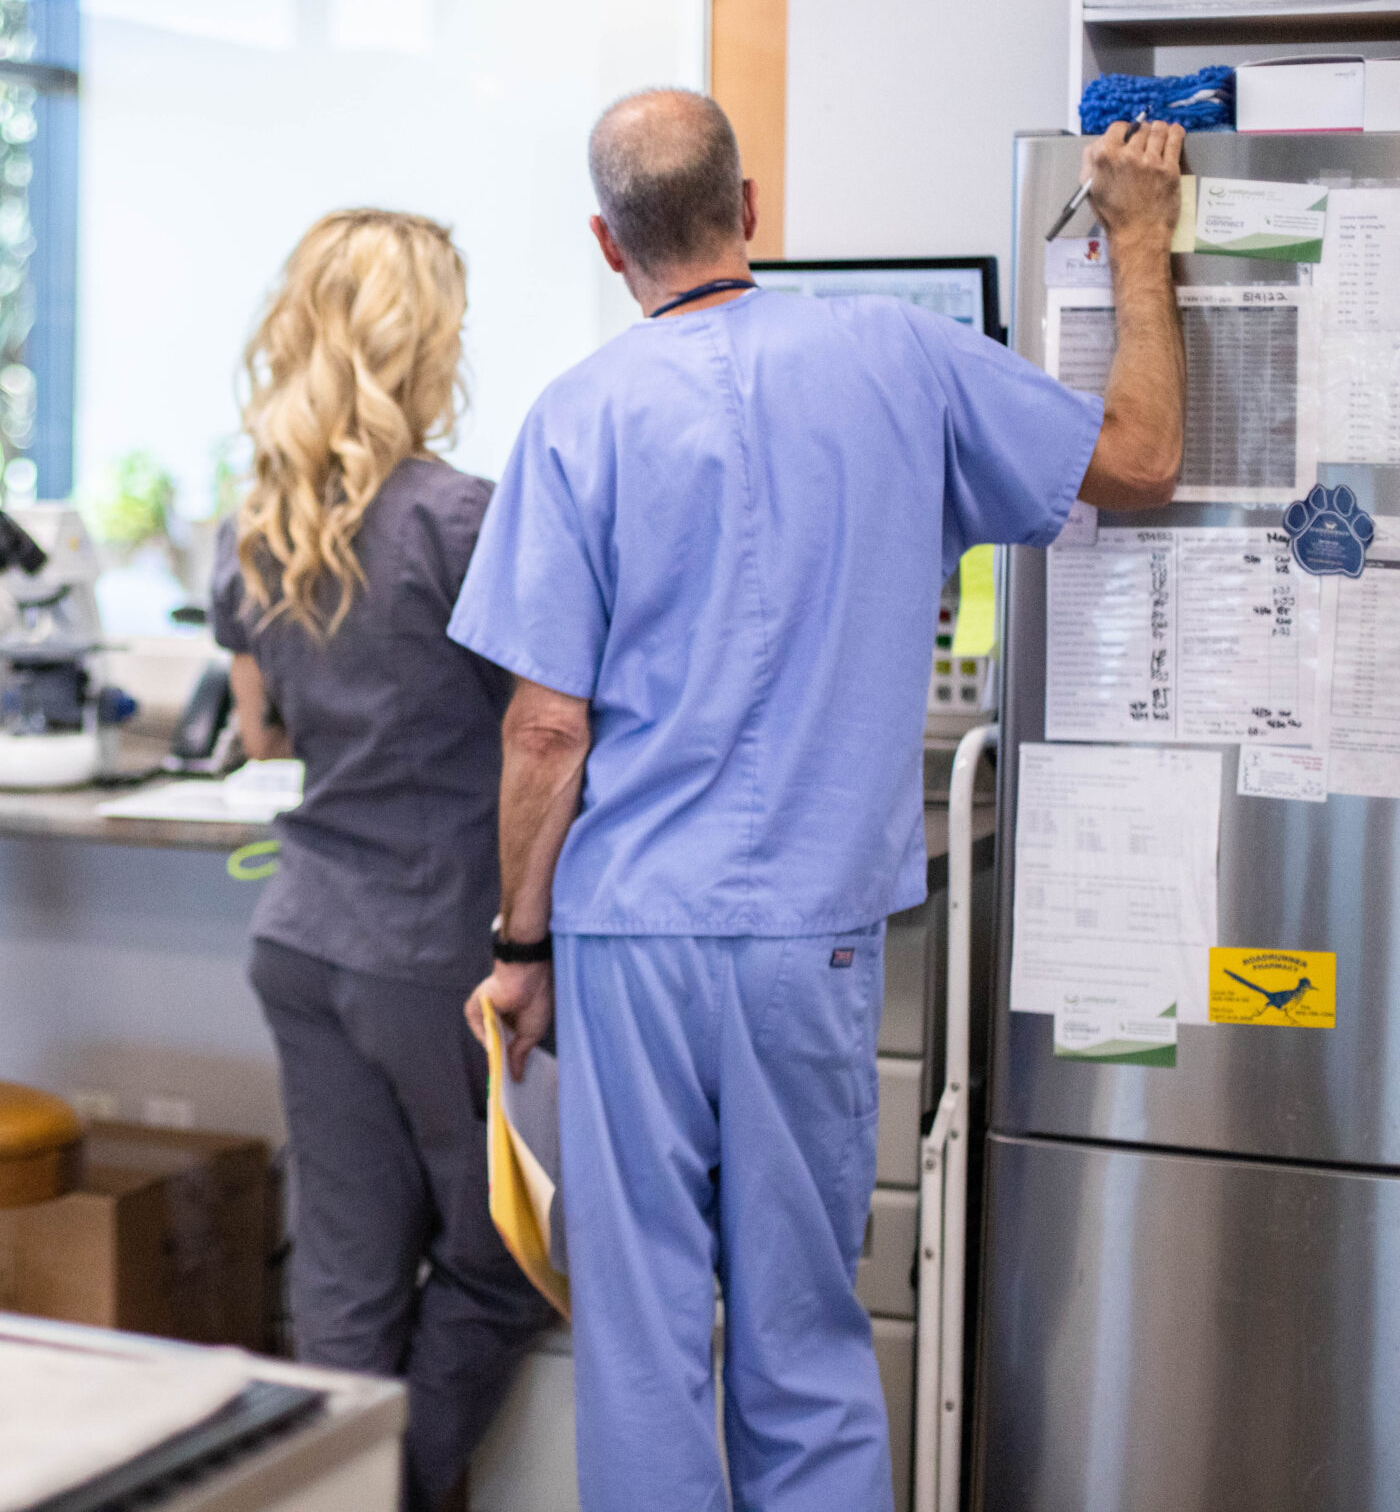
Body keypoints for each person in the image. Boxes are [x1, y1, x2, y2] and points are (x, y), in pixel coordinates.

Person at [453, 92, 1185, 1510]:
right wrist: (1141, 243)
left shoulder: (576, 415)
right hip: (815, 936)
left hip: (628, 940)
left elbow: (546, 728)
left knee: (645, 1339)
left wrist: (519, 946)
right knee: (800, 1333)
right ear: (752, 208)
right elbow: (1144, 459)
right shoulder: (903, 354)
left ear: (607, 246)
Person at [212, 209, 552, 1512]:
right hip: (436, 954)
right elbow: (551, 725)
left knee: (344, 1292)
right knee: (506, 1261)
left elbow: (263, 727)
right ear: (428, 342)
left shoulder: (259, 525)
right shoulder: (464, 520)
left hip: (306, 936)